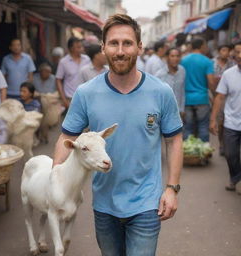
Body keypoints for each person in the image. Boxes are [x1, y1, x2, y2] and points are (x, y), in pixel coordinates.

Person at [53, 14, 183, 256]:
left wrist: (172, 188)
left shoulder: (161, 91)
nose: (120, 51)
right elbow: (65, 137)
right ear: (103, 47)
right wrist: (55, 178)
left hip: (146, 203)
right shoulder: (86, 93)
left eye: (127, 43)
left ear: (140, 47)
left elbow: (174, 140)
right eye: (113, 43)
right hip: (104, 204)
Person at [210, 41, 241, 191]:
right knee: (230, 154)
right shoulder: (228, 74)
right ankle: (235, 177)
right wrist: (213, 120)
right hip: (231, 123)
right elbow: (220, 97)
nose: (239, 55)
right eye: (237, 52)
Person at [181, 37, 215, 142]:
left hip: (187, 99)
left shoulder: (183, 60)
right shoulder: (207, 62)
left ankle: (188, 155)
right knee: (203, 127)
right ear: (201, 46)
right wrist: (214, 96)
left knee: (188, 128)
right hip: (202, 99)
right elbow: (211, 82)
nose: (206, 48)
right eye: (205, 46)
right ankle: (204, 154)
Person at [56, 37, 91, 108]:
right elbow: (58, 80)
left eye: (81, 47)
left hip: (86, 98)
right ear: (71, 48)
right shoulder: (63, 62)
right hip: (70, 99)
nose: (82, 49)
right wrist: (64, 100)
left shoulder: (87, 59)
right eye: (78, 47)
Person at [213, 44, 235, 155]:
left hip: (229, 98)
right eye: (223, 50)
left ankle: (229, 145)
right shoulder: (212, 63)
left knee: (228, 121)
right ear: (219, 51)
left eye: (228, 50)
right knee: (220, 122)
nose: (225, 53)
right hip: (216, 96)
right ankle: (222, 144)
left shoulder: (233, 63)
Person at [157, 47, 185, 119]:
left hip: (178, 112)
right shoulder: (160, 74)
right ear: (167, 58)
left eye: (177, 56)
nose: (175, 59)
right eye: (172, 56)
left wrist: (182, 109)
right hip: (164, 113)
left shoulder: (182, 70)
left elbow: (182, 91)